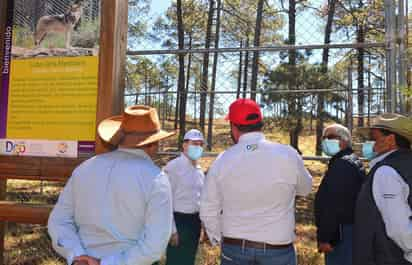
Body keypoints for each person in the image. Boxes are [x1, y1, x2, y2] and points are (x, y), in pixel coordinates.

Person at [48, 105, 175, 265]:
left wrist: (77, 254)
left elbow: (58, 221)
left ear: (120, 137)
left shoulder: (84, 169)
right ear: (153, 144)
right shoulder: (156, 178)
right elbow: (154, 246)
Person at [200, 98, 312, 265]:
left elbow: (208, 208)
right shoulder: (288, 154)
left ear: (234, 127)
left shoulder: (223, 160)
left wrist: (218, 238)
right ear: (260, 123)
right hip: (278, 248)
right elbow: (306, 188)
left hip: (235, 247)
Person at [354, 113, 412, 265]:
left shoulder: (386, 171)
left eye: (374, 138)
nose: (370, 144)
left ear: (390, 140)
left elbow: (399, 228)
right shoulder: (405, 164)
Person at [314, 124, 365, 265]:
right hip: (347, 231)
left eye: (330, 137)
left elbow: (332, 205)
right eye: (323, 137)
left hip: (340, 235)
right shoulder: (349, 160)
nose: (325, 140)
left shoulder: (342, 165)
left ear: (343, 140)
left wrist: (325, 238)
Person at [160, 129, 205, 265]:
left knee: (189, 260)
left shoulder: (199, 171)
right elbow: (165, 201)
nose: (198, 147)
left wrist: (203, 225)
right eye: (194, 143)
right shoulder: (173, 167)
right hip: (179, 222)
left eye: (200, 144)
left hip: (194, 223)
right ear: (184, 145)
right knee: (176, 261)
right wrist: (172, 230)